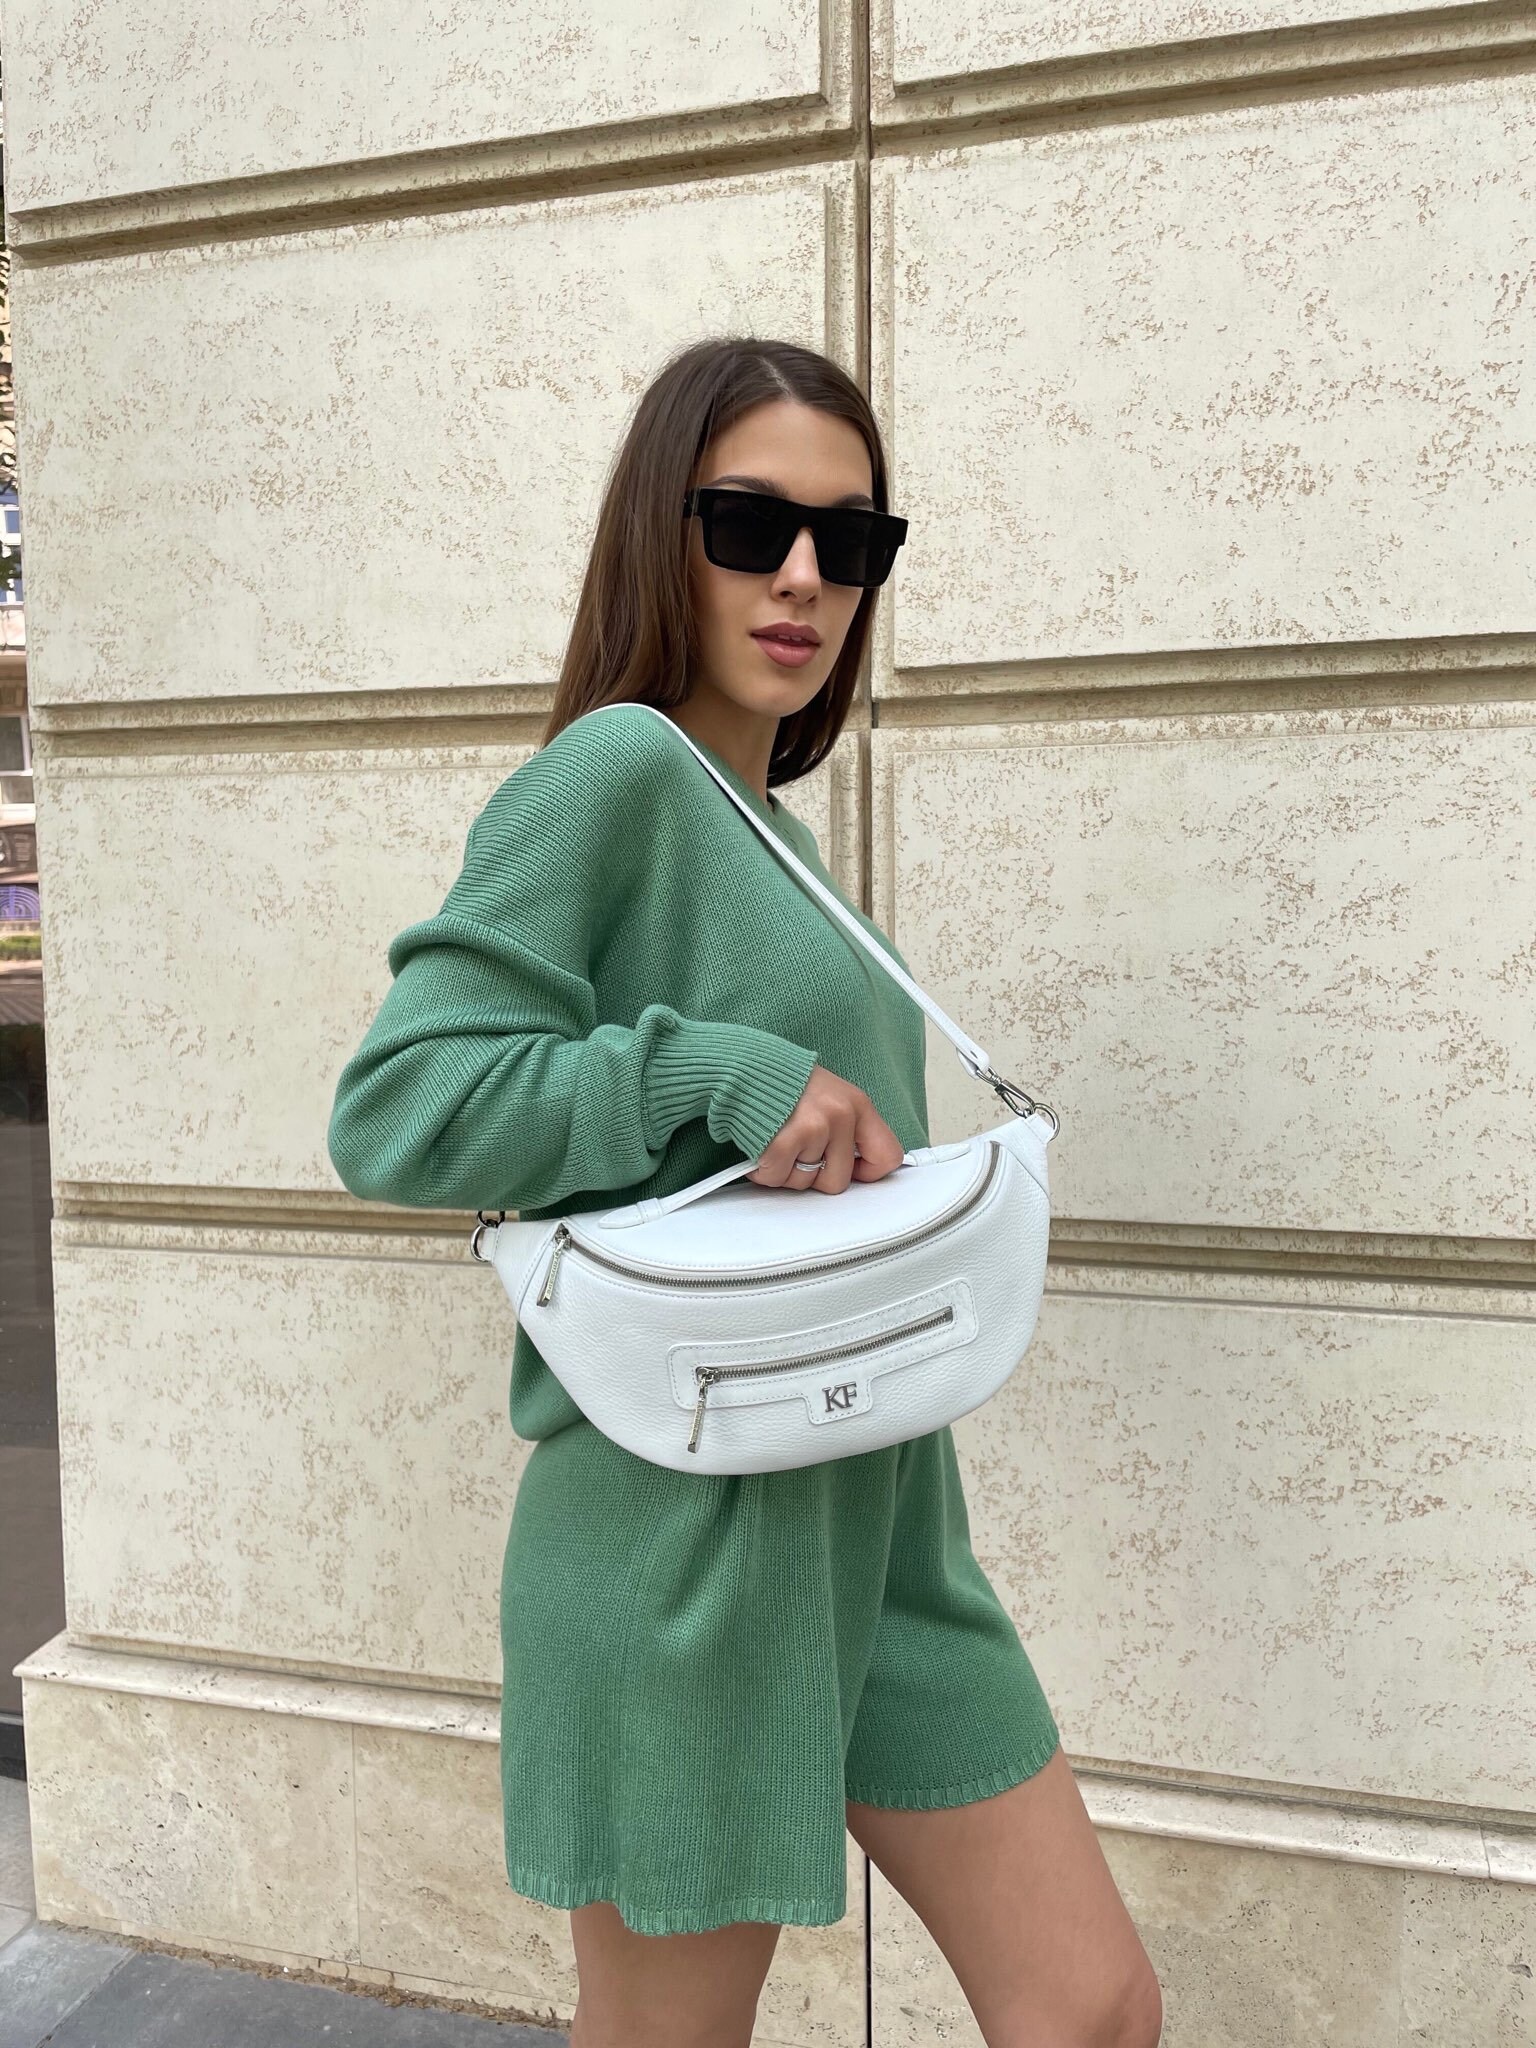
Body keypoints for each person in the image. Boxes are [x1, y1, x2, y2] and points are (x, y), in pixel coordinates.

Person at [326, 337, 1162, 2048]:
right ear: (664, 532)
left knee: (1091, 2011)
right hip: (686, 1546)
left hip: (886, 1525)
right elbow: (397, 1107)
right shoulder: (614, 773)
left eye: (850, 542)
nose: (803, 578)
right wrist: (700, 1071)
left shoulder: (772, 829)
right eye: (749, 524)